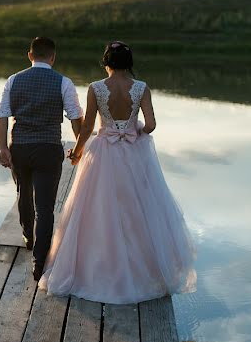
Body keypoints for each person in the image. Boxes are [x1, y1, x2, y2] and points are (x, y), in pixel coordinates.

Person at [39, 41, 197, 304]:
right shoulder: (141, 88)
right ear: (129, 62)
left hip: (104, 152)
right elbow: (152, 124)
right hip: (135, 153)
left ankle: (100, 270)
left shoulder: (96, 88)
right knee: (140, 209)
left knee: (99, 211)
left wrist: (77, 152)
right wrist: (136, 132)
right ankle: (145, 272)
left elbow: (88, 126)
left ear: (106, 62)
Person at [0, 36, 83, 281]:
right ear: (53, 57)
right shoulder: (63, 82)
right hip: (48, 148)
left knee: (24, 192)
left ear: (30, 55)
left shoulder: (14, 80)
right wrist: (79, 146)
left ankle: (28, 236)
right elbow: (76, 116)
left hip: (20, 148)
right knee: (45, 208)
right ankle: (39, 261)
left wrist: (3, 148)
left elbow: (2, 115)